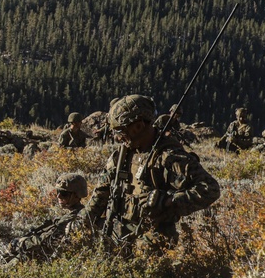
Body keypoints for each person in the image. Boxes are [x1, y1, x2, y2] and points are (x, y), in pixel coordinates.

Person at [80, 94, 221, 248]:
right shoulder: (121, 156)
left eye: (120, 130)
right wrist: (80, 226)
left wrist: (169, 200)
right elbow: (101, 194)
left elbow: (210, 189)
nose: (117, 138)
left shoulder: (169, 156)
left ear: (138, 126)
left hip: (151, 240)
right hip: (117, 232)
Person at [4, 173, 91, 262]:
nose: (58, 196)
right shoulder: (73, 214)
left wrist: (19, 243)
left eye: (63, 193)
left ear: (76, 195)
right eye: (58, 192)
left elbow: (45, 241)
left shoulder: (73, 218)